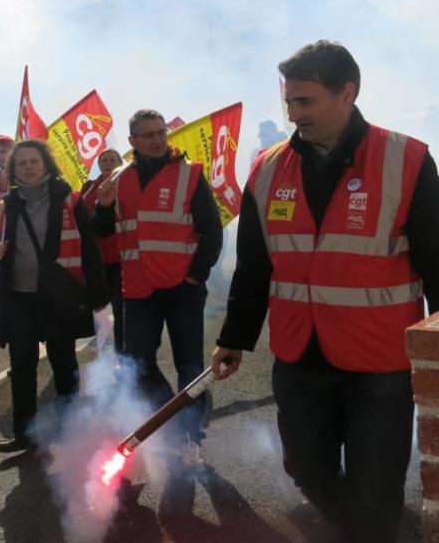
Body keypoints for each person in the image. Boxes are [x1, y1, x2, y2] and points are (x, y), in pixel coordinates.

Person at [211, 40, 439, 543]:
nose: (294, 114)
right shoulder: (268, 169)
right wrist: (235, 337)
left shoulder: (408, 160)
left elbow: (436, 260)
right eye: (289, 102)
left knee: (376, 485)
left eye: (305, 101)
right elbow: (254, 266)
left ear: (347, 93)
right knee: (306, 470)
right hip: (299, 355)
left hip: (379, 360)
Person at [94, 109, 223, 468]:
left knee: (190, 366)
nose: (156, 139)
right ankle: (174, 421)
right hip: (137, 289)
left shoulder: (189, 173)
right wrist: (103, 206)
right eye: (147, 135)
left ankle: (190, 438)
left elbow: (212, 232)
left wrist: (196, 275)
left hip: (183, 288)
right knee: (138, 365)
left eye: (160, 133)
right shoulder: (118, 179)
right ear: (132, 141)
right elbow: (101, 230)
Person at [0, 139, 107, 453]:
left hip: (57, 298)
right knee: (22, 366)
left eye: (33, 161)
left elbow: (90, 250)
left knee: (63, 364)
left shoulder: (69, 199)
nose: (27, 166)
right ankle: (25, 435)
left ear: (45, 164)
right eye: (21, 162)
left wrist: (97, 296)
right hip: (19, 299)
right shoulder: (4, 205)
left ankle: (69, 430)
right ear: (13, 169)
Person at [80, 148, 125, 350]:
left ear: (119, 162)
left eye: (112, 159)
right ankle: (102, 339)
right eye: (103, 160)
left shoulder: (127, 182)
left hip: (120, 256)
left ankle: (122, 350)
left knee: (120, 305)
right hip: (94, 257)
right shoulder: (89, 187)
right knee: (96, 303)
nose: (107, 163)